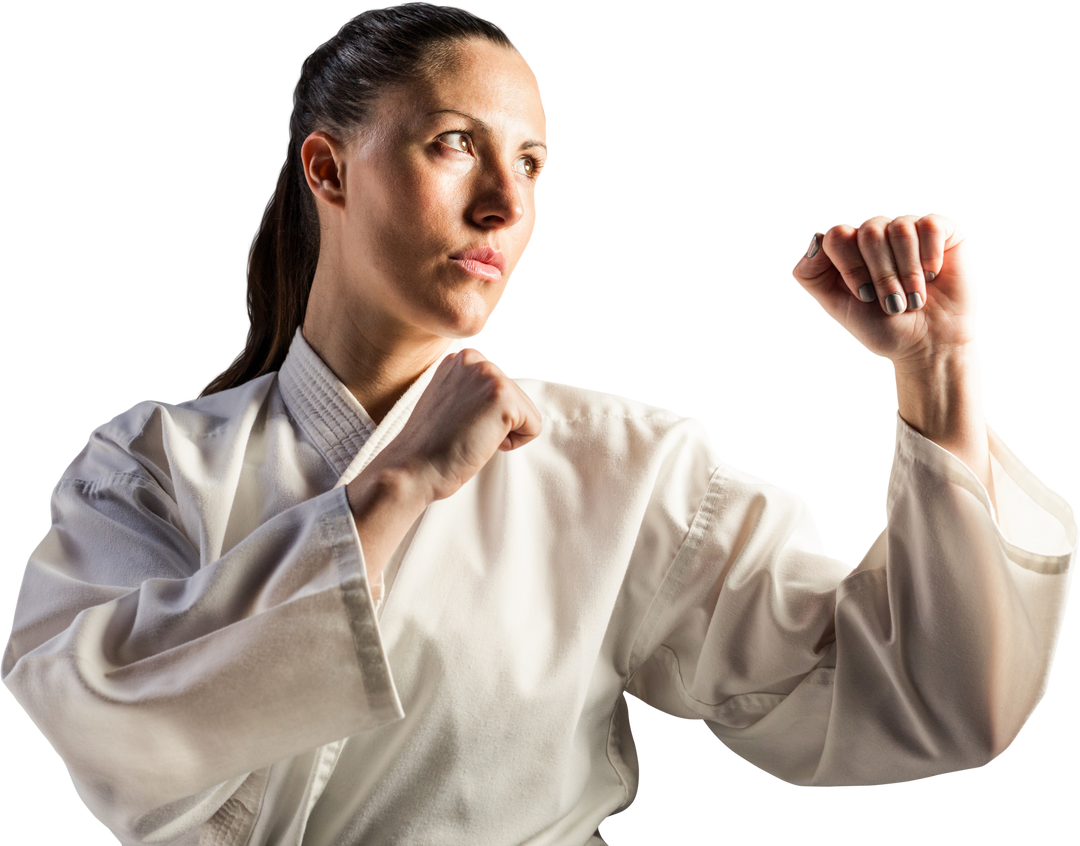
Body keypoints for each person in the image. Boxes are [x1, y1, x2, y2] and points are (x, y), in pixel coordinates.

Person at [2, 2, 1077, 844]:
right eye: (455, 145)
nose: (505, 209)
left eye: (531, 165)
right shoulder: (147, 463)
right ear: (327, 168)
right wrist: (397, 487)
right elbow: (106, 725)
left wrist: (938, 370)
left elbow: (928, 698)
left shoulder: (621, 466)